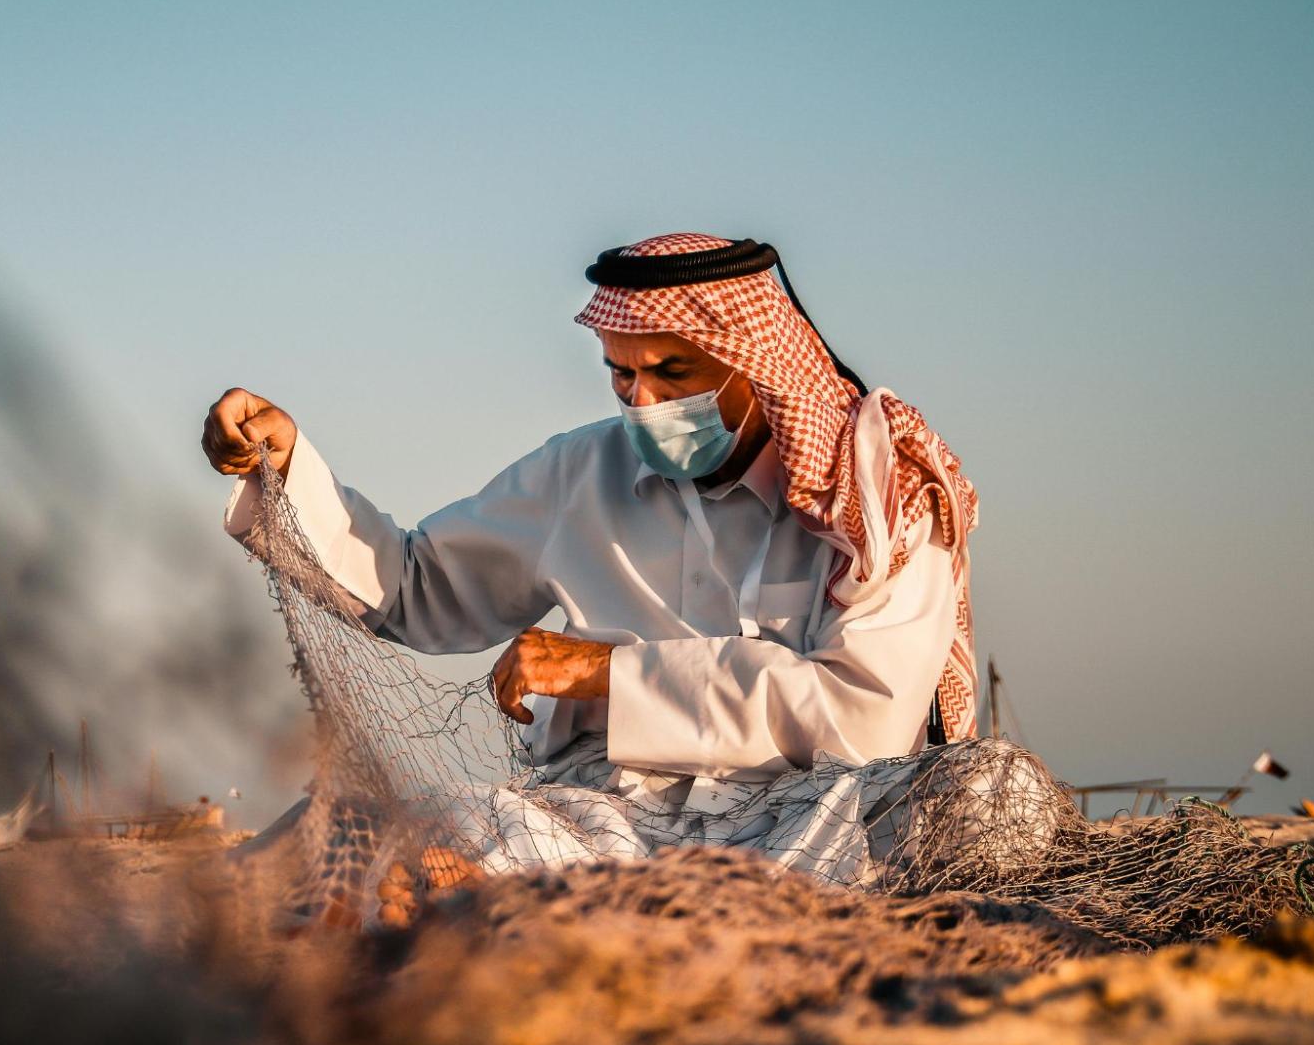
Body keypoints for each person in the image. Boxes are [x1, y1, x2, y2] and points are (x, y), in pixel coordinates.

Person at [203, 233, 985, 886]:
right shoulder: (578, 473)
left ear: (754, 363)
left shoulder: (879, 495)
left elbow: (864, 718)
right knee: (428, 827)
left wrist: (607, 673)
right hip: (606, 820)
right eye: (621, 372)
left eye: (672, 373)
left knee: (982, 794)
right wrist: (288, 468)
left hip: (809, 821)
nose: (641, 401)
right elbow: (415, 590)